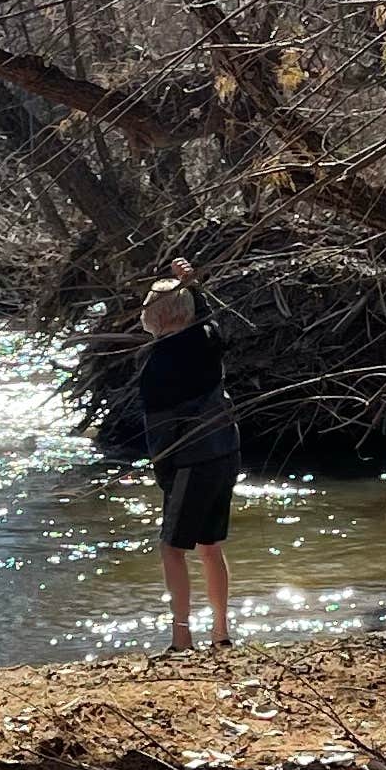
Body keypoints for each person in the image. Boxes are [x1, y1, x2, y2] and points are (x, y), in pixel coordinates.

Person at [134, 262, 237, 653]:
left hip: (190, 461)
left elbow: (160, 432)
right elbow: (207, 317)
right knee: (210, 547)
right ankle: (221, 632)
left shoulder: (158, 366)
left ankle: (181, 637)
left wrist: (164, 477)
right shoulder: (208, 339)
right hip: (226, 450)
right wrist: (192, 285)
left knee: (171, 548)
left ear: (153, 317)